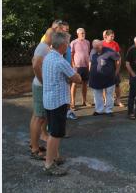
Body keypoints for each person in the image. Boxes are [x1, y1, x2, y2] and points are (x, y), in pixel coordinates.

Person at [41, 31, 82, 176]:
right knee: (55, 134)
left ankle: (53, 158)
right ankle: (49, 164)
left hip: (48, 100)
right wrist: (75, 74)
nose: (68, 47)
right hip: (58, 102)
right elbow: (77, 79)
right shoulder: (60, 61)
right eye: (68, 44)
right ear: (64, 45)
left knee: (53, 131)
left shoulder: (48, 57)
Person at [29, 27, 54, 160]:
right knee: (39, 118)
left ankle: (34, 144)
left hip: (39, 85)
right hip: (40, 86)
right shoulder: (43, 47)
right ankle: (34, 149)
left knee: (38, 117)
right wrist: (42, 81)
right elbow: (35, 64)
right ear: (49, 36)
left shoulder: (45, 46)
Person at [88, 39, 120, 116]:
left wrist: (117, 71)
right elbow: (90, 61)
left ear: (101, 45)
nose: (97, 49)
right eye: (95, 48)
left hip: (109, 78)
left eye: (98, 47)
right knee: (97, 94)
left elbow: (118, 59)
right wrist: (90, 71)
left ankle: (109, 110)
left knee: (109, 94)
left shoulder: (110, 51)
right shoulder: (92, 51)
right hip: (96, 78)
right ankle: (99, 110)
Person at [70, 28, 91, 109]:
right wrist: (73, 65)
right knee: (74, 84)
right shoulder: (73, 42)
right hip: (77, 67)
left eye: (84, 33)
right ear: (77, 34)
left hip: (85, 66)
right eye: (81, 33)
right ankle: (73, 102)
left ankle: (84, 101)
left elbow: (87, 53)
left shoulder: (87, 42)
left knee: (85, 84)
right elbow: (71, 54)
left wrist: (89, 65)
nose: (83, 34)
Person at [102, 30, 123, 108]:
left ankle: (118, 100)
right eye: (111, 36)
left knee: (117, 84)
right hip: (105, 68)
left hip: (114, 67)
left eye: (113, 36)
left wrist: (117, 69)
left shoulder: (115, 44)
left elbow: (118, 57)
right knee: (104, 85)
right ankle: (106, 101)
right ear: (106, 36)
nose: (113, 37)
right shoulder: (102, 44)